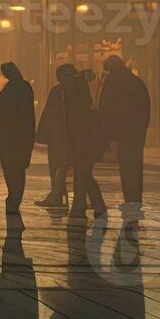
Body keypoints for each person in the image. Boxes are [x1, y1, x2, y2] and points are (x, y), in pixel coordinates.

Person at [96, 56, 152, 214]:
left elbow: (106, 106)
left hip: (122, 131)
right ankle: (135, 200)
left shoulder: (113, 81)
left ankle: (130, 199)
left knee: (126, 166)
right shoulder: (135, 81)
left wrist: (107, 131)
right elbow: (145, 106)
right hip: (136, 131)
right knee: (136, 165)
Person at [0, 62, 35, 216]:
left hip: (8, 137)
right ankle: (15, 198)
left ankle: (13, 198)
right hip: (22, 136)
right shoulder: (24, 88)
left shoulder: (7, 93)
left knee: (9, 168)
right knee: (19, 169)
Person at [33, 64, 80, 209]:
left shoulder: (60, 91)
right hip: (66, 136)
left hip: (61, 136)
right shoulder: (75, 90)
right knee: (65, 166)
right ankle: (59, 195)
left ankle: (56, 195)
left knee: (60, 166)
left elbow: (50, 115)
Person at [68, 69, 109, 218]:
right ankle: (84, 204)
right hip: (88, 140)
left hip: (83, 140)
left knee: (83, 172)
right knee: (83, 172)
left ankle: (95, 204)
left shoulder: (81, 99)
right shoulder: (89, 94)